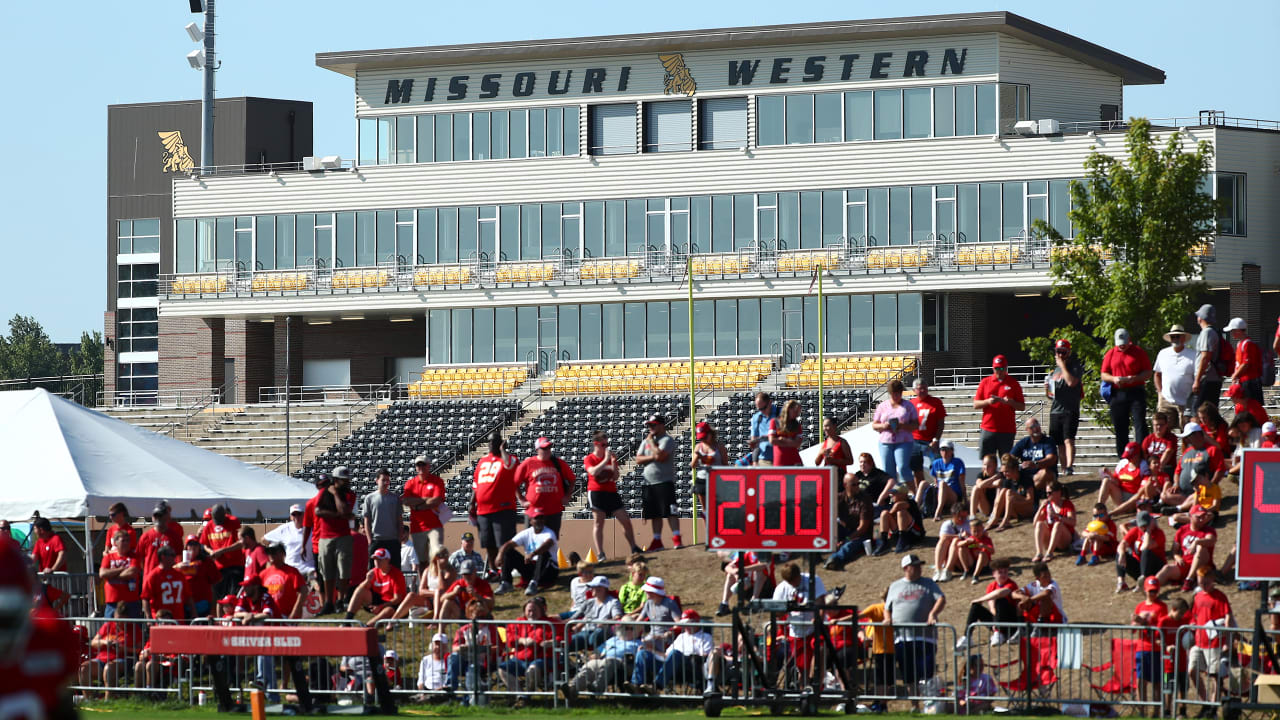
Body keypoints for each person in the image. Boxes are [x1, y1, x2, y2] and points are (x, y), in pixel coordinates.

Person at [885, 554, 946, 704]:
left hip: (924, 636)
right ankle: (914, 704)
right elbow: (887, 607)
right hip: (902, 637)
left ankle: (929, 703)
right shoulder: (895, 586)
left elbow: (941, 598)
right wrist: (887, 618)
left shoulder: (928, 583)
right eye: (915, 566)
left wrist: (933, 614)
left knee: (926, 671)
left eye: (920, 565)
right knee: (908, 674)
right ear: (906, 568)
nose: (919, 568)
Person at [585, 430, 642, 561]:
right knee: (599, 522)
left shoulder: (610, 459)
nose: (606, 447)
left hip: (611, 492)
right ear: (596, 444)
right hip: (596, 492)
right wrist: (605, 460)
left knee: (625, 520)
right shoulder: (590, 458)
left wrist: (614, 463)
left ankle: (633, 547)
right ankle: (600, 553)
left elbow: (616, 477)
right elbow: (593, 472)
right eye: (603, 445)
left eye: (607, 444)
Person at [472, 434, 520, 577]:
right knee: (488, 543)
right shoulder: (482, 461)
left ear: (501, 443)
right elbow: (476, 484)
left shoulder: (510, 458)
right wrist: (471, 503)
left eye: (494, 441)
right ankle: (493, 570)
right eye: (489, 441)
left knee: (503, 543)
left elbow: (509, 466)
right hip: (483, 510)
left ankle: (506, 571)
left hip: (503, 509)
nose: (491, 444)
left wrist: (503, 450)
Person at [499, 596, 563, 703]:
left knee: (533, 669)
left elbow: (564, 637)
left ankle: (528, 695)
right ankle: (520, 695)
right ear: (524, 611)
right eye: (529, 611)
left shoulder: (551, 623)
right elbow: (509, 637)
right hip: (520, 659)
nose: (531, 613)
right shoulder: (519, 622)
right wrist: (521, 640)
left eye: (535, 610)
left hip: (543, 659)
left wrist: (551, 642)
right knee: (502, 669)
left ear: (541, 611)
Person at [631, 609, 713, 692]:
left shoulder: (705, 637)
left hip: (687, 667)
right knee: (642, 653)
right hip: (670, 664)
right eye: (684, 624)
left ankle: (656, 686)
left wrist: (685, 656)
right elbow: (666, 655)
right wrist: (651, 650)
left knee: (675, 653)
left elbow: (704, 656)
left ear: (696, 622)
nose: (686, 627)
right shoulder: (681, 636)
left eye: (689, 624)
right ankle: (636, 685)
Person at [1101, 328, 1154, 457]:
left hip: (1136, 390)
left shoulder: (1138, 352)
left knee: (1139, 423)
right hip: (1118, 392)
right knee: (1120, 427)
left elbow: (1148, 372)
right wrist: (1114, 379)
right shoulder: (1111, 354)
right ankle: (1123, 457)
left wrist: (1135, 378)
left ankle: (1141, 454)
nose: (1122, 346)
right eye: (1120, 343)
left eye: (1124, 342)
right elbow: (1104, 374)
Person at [1188, 567, 1235, 709]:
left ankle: (1213, 706)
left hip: (1214, 642)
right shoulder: (1198, 597)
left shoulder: (1220, 596)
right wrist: (1192, 625)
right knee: (1192, 670)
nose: (1203, 585)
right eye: (1201, 583)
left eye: (1206, 583)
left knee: (1215, 675)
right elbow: (1195, 616)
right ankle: (1205, 702)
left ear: (1212, 580)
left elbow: (1228, 617)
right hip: (1199, 641)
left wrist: (1226, 640)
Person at [771, 563, 828, 677]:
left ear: (798, 575)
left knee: (820, 649)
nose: (793, 584)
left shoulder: (813, 580)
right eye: (789, 582)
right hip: (797, 631)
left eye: (794, 580)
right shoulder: (781, 588)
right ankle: (805, 687)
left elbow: (821, 602)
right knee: (802, 668)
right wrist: (787, 608)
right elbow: (776, 613)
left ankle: (815, 683)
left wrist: (818, 619)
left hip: (815, 627)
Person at [636, 415, 681, 550]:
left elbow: (661, 456)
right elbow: (638, 459)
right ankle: (657, 540)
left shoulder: (667, 440)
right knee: (655, 514)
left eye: (653, 425)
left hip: (664, 481)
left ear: (661, 425)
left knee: (670, 511)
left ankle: (676, 537)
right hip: (649, 483)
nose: (651, 428)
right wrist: (652, 456)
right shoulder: (646, 442)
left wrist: (651, 445)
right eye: (649, 425)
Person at [315, 466, 357, 613]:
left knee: (343, 570)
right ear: (336, 480)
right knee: (327, 571)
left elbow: (345, 510)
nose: (346, 483)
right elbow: (318, 511)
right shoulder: (324, 493)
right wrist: (338, 515)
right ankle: (328, 602)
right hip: (325, 536)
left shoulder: (349, 494)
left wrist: (336, 495)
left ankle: (340, 599)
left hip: (343, 536)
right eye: (343, 480)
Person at [515, 436, 574, 540]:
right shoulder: (528, 464)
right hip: (533, 511)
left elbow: (572, 479)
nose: (547, 451)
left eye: (548, 448)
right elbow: (515, 482)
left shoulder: (558, 463)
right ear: (537, 449)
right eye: (544, 448)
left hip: (553, 510)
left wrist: (567, 496)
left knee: (551, 542)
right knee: (532, 542)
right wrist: (521, 499)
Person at [80, 602, 142, 699]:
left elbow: (140, 649)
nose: (119, 623)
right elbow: (93, 643)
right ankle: (88, 699)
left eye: (122, 621)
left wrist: (124, 649)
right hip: (102, 659)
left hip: (122, 659)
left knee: (109, 668)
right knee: (83, 668)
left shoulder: (134, 629)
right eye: (117, 620)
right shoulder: (107, 626)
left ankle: (108, 700)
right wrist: (105, 642)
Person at [561, 622, 641, 697]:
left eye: (632, 628)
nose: (629, 630)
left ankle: (597, 687)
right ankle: (573, 688)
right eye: (626, 628)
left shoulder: (638, 642)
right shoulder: (612, 639)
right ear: (621, 629)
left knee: (610, 661)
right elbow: (598, 651)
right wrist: (595, 655)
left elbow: (640, 657)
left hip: (624, 664)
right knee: (590, 665)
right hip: (604, 661)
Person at [955, 557, 1019, 650]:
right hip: (998, 619)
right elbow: (992, 606)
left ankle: (1000, 633)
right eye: (1000, 572)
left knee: (1001, 600)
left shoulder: (1011, 584)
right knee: (976, 606)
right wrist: (995, 621)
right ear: (994, 574)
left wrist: (980, 599)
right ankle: (967, 637)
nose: (1004, 575)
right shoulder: (991, 586)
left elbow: (1000, 593)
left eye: (1005, 572)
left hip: (1010, 620)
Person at [446, 599, 504, 697]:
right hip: (464, 659)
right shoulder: (463, 630)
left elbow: (499, 647)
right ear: (470, 616)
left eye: (482, 616)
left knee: (472, 668)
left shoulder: (491, 629)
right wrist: (461, 648)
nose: (480, 619)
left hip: (482, 661)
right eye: (477, 616)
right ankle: (450, 686)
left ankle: (469, 697)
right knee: (453, 657)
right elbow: (454, 648)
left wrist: (486, 649)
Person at [1044, 339, 1085, 475]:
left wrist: (1062, 365)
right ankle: (1063, 469)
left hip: (1070, 409)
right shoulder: (1054, 371)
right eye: (1058, 352)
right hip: (1056, 410)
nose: (1060, 355)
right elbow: (1050, 395)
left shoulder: (1075, 367)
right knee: (1059, 442)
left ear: (1068, 352)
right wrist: (1046, 389)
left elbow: (1071, 382)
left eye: (1063, 352)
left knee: (1068, 439)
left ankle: (1069, 466)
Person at [973, 355, 1025, 458]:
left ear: (1006, 368)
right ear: (993, 368)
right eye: (997, 368)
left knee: (1006, 461)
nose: (999, 371)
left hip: (1006, 430)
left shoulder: (1013, 383)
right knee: (987, 461)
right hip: (988, 428)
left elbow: (1022, 406)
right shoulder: (985, 382)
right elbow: (975, 404)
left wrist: (1010, 402)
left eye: (1001, 368)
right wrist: (988, 401)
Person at [1156, 505, 1218, 592]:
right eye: (1198, 517)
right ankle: (1151, 588)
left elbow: (1211, 540)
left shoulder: (1209, 530)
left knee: (1201, 547)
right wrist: (1177, 557)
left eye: (1203, 517)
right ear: (1190, 516)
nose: (1201, 519)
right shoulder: (1182, 530)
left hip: (1203, 566)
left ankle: (1189, 580)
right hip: (1185, 563)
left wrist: (1196, 542)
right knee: (1167, 568)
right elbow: (1174, 551)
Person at [872, 379, 920, 490]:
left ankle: (915, 494)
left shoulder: (908, 406)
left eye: (898, 393)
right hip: (885, 441)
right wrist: (884, 426)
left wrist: (903, 426)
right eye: (894, 393)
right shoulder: (882, 406)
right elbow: (874, 425)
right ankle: (895, 495)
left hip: (904, 441)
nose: (896, 396)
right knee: (888, 471)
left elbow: (916, 424)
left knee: (903, 467)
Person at [497, 511, 560, 596]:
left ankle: (534, 583)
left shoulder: (549, 533)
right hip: (531, 566)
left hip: (548, 571)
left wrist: (533, 553)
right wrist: (500, 555)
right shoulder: (527, 532)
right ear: (530, 521)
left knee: (543, 553)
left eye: (541, 518)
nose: (539, 520)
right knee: (508, 551)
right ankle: (506, 583)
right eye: (536, 518)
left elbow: (547, 544)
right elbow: (509, 544)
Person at [389, 545, 455, 622]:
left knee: (439, 591)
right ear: (435, 557)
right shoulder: (427, 570)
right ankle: (393, 619)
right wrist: (435, 593)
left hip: (444, 599)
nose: (444, 558)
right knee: (411, 595)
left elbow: (443, 588)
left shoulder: (450, 571)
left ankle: (436, 620)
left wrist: (440, 570)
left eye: (446, 555)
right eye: (441, 555)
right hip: (430, 600)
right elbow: (421, 591)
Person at [402, 456, 446, 570]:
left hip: (434, 526)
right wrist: (425, 499)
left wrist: (417, 505)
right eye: (418, 465)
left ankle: (437, 584)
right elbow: (406, 500)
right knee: (421, 561)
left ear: (428, 466)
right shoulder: (410, 483)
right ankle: (423, 585)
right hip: (417, 527)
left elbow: (437, 500)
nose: (420, 467)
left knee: (437, 555)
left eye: (423, 464)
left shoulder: (437, 481)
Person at [345, 548, 407, 626]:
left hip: (392, 604)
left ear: (387, 560)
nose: (376, 562)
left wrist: (380, 607)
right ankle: (347, 621)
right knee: (360, 590)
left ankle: (367, 627)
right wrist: (367, 580)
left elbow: (397, 599)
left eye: (380, 559)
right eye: (375, 559)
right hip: (378, 600)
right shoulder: (373, 572)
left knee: (388, 610)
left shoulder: (397, 574)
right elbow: (361, 589)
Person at [824, 475, 874, 571]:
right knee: (829, 526)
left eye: (858, 484)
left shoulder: (865, 499)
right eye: (854, 485)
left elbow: (863, 527)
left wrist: (847, 539)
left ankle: (835, 559)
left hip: (861, 534)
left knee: (849, 545)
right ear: (845, 485)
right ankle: (817, 552)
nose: (857, 487)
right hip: (845, 529)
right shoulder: (839, 498)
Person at [908, 377, 947, 489]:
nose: (922, 391)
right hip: (914, 440)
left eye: (924, 388)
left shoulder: (936, 402)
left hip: (930, 440)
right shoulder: (911, 404)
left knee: (937, 465)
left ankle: (939, 490)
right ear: (914, 390)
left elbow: (941, 423)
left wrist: (936, 439)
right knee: (916, 468)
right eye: (919, 389)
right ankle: (921, 492)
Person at [200, 503, 245, 598]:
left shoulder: (233, 521)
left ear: (225, 514)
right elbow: (205, 544)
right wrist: (211, 552)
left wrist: (222, 551)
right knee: (220, 598)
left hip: (235, 566)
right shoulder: (209, 526)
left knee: (233, 596)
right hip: (219, 567)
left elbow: (241, 543)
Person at [362, 468, 404, 569]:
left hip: (392, 540)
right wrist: (369, 540)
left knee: (395, 569)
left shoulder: (395, 498)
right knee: (373, 570)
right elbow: (366, 521)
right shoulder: (369, 498)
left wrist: (399, 539)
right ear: (377, 481)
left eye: (387, 480)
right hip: (376, 540)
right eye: (383, 480)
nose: (385, 482)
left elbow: (400, 521)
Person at [1097, 441, 1152, 517]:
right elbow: (1117, 483)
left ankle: (1114, 512)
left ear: (1137, 455)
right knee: (1106, 481)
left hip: (1134, 497)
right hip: (1120, 495)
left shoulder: (1143, 466)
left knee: (1139, 494)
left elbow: (1142, 491)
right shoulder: (1123, 463)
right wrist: (1109, 474)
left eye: (1130, 457)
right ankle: (1098, 509)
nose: (1128, 459)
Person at [1154, 325, 1197, 420]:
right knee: (1164, 429)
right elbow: (1157, 374)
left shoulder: (1193, 354)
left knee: (1187, 430)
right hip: (1166, 400)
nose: (1175, 339)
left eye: (1178, 336)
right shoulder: (1163, 353)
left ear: (1184, 338)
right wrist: (1160, 393)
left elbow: (1197, 377)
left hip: (1186, 401)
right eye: (1172, 337)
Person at [1117, 510, 1167, 593]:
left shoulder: (1159, 533)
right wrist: (1122, 554)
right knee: (1120, 553)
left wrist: (1148, 531)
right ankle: (1121, 582)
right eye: (1141, 526)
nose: (1143, 528)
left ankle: (1144, 580)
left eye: (1145, 525)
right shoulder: (1135, 531)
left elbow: (1145, 547)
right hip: (1140, 565)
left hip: (1156, 568)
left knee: (1146, 552)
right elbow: (1122, 544)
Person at [568, 575, 622, 650]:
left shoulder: (613, 602)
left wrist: (605, 622)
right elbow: (574, 617)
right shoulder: (589, 602)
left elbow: (617, 617)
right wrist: (566, 623)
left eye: (594, 587)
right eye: (591, 587)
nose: (591, 589)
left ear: (602, 588)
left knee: (593, 638)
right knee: (568, 642)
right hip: (587, 630)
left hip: (603, 631)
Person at [141, 545, 193, 620]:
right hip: (161, 620)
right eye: (172, 555)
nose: (174, 557)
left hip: (178, 619)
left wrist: (194, 613)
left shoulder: (179, 575)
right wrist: (149, 617)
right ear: (163, 557)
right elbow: (145, 598)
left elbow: (188, 596)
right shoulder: (153, 576)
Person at [1190, 304, 1226, 413]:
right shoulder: (1214, 331)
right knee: (1210, 412)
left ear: (1200, 318)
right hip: (1213, 378)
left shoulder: (1207, 333)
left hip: (1207, 379)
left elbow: (1205, 357)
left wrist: (1197, 380)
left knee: (1199, 412)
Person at [871, 484, 926, 555]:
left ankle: (903, 541)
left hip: (915, 534)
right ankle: (884, 542)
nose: (892, 495)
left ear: (903, 494)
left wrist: (890, 515)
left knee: (901, 512)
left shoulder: (911, 502)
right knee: (884, 513)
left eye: (895, 493)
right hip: (898, 533)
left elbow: (899, 506)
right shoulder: (893, 503)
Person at [264, 504, 316, 578]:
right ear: (291, 517)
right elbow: (264, 539)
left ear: (304, 515)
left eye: (299, 514)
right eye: (294, 514)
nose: (296, 517)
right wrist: (277, 548)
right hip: (290, 569)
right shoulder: (284, 528)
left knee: (317, 586)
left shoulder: (312, 528)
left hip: (309, 569)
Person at [260, 541, 309, 619]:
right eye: (269, 552)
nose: (271, 555)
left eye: (274, 552)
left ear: (282, 554)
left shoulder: (292, 572)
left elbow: (303, 591)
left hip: (286, 617)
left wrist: (294, 613)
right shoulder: (263, 574)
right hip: (269, 617)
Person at [136, 501, 185, 578]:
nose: (158, 518)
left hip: (169, 579)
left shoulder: (175, 536)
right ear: (152, 517)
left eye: (161, 515)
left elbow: (179, 558)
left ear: (168, 516)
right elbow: (140, 560)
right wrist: (149, 571)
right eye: (156, 515)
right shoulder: (145, 537)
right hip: (150, 579)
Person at [100, 530, 142, 618]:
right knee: (110, 629)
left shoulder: (134, 557)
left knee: (133, 629)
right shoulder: (108, 557)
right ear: (115, 543)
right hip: (112, 601)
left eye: (128, 541)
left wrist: (112, 576)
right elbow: (103, 573)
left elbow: (132, 572)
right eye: (123, 541)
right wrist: (122, 569)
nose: (126, 543)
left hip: (131, 601)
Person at [989, 453, 1036, 532]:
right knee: (1004, 491)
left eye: (1007, 471)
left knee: (1009, 493)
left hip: (1029, 509)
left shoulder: (1025, 478)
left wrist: (1014, 501)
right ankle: (995, 519)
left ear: (1015, 469)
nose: (1004, 474)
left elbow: (1030, 500)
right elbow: (999, 499)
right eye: (1003, 472)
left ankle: (1006, 521)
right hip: (1015, 510)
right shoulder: (1007, 479)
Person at [1031, 482, 1076, 563]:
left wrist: (1057, 516)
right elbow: (1035, 524)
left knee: (1058, 524)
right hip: (1051, 539)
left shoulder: (1067, 504)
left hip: (1064, 540)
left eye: (1049, 493)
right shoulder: (1048, 506)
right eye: (1046, 493)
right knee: (1039, 524)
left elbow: (1073, 522)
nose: (1047, 495)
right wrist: (1040, 508)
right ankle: (1039, 553)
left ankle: (1049, 553)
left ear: (1058, 493)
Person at [177, 535, 220, 617]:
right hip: (184, 603)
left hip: (202, 603)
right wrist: (179, 567)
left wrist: (213, 608)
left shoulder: (207, 562)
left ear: (199, 547)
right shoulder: (179, 560)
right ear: (186, 547)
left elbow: (216, 581)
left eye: (195, 544)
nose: (193, 547)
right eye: (190, 544)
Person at [924, 439, 966, 522]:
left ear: (952, 451)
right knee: (923, 483)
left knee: (942, 483)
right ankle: (916, 508)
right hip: (941, 493)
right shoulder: (936, 463)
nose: (944, 452)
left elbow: (961, 482)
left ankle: (938, 512)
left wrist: (965, 500)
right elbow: (936, 481)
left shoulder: (958, 462)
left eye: (947, 449)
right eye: (942, 449)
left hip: (953, 495)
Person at [1227, 317, 1263, 403]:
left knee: (1251, 405)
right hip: (1243, 380)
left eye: (1233, 331)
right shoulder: (1240, 344)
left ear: (1238, 330)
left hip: (1250, 381)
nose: (1232, 333)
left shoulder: (1248, 344)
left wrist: (1235, 375)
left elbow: (1246, 363)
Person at [946, 518, 994, 583]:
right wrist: (966, 542)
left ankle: (975, 576)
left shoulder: (986, 539)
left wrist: (984, 546)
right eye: (974, 531)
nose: (976, 533)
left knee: (982, 554)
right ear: (970, 531)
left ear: (983, 529)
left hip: (983, 565)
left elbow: (992, 551)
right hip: (971, 563)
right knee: (961, 548)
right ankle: (966, 570)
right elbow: (959, 545)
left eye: (979, 531)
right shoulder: (971, 539)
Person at [931, 504, 970, 582]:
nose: (961, 519)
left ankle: (947, 570)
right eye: (959, 516)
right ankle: (938, 570)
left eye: (964, 517)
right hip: (950, 553)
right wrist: (959, 535)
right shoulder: (947, 524)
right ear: (953, 515)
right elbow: (943, 537)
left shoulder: (970, 524)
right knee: (943, 541)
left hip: (966, 552)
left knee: (956, 541)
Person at [816, 416, 855, 484]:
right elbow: (817, 463)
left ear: (834, 426)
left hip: (839, 478)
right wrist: (821, 453)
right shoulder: (825, 442)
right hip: (827, 477)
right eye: (824, 426)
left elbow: (850, 461)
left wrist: (834, 461)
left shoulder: (842, 442)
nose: (825, 429)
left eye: (827, 426)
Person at [1144, 410, 1180, 481]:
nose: (1158, 427)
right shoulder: (1148, 439)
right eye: (1156, 425)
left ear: (1166, 425)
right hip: (1151, 467)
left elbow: (1168, 452)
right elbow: (1144, 455)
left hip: (1165, 467)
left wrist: (1158, 469)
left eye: (1161, 425)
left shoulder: (1171, 438)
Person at [769, 400, 805, 467]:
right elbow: (772, 440)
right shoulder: (774, 422)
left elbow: (797, 444)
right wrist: (791, 442)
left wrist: (783, 440)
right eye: (795, 411)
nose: (797, 414)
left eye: (798, 412)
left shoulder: (797, 425)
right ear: (788, 409)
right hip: (779, 461)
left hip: (795, 461)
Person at [748, 391, 779, 465]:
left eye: (764, 408)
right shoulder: (756, 418)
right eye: (759, 409)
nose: (762, 411)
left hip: (781, 457)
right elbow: (755, 441)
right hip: (764, 459)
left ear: (770, 403)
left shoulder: (781, 414)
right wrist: (755, 461)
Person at [969, 454, 1001, 520]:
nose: (986, 467)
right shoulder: (981, 475)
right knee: (975, 488)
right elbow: (979, 485)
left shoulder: (1000, 476)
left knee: (977, 487)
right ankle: (972, 515)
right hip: (985, 506)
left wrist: (986, 485)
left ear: (995, 466)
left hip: (995, 507)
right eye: (984, 464)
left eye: (989, 466)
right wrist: (992, 479)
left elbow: (998, 483)